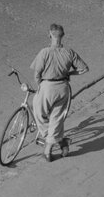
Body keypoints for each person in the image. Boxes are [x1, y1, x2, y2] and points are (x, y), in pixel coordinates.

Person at [29, 23, 87, 162]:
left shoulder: (44, 52)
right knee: (56, 119)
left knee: (38, 113)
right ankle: (61, 142)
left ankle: (48, 151)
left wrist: (39, 87)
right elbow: (84, 69)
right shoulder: (69, 52)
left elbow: (37, 74)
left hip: (47, 87)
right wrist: (69, 73)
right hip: (63, 88)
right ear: (63, 36)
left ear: (49, 35)